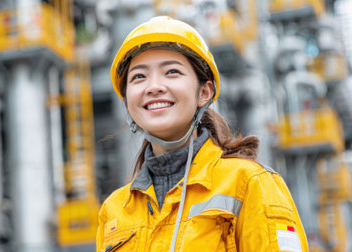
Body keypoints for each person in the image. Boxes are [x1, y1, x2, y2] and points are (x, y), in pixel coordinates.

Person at [96, 16, 308, 252]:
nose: (153, 86)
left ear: (204, 93)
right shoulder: (113, 211)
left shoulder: (248, 184)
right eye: (139, 77)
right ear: (127, 103)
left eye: (171, 72)